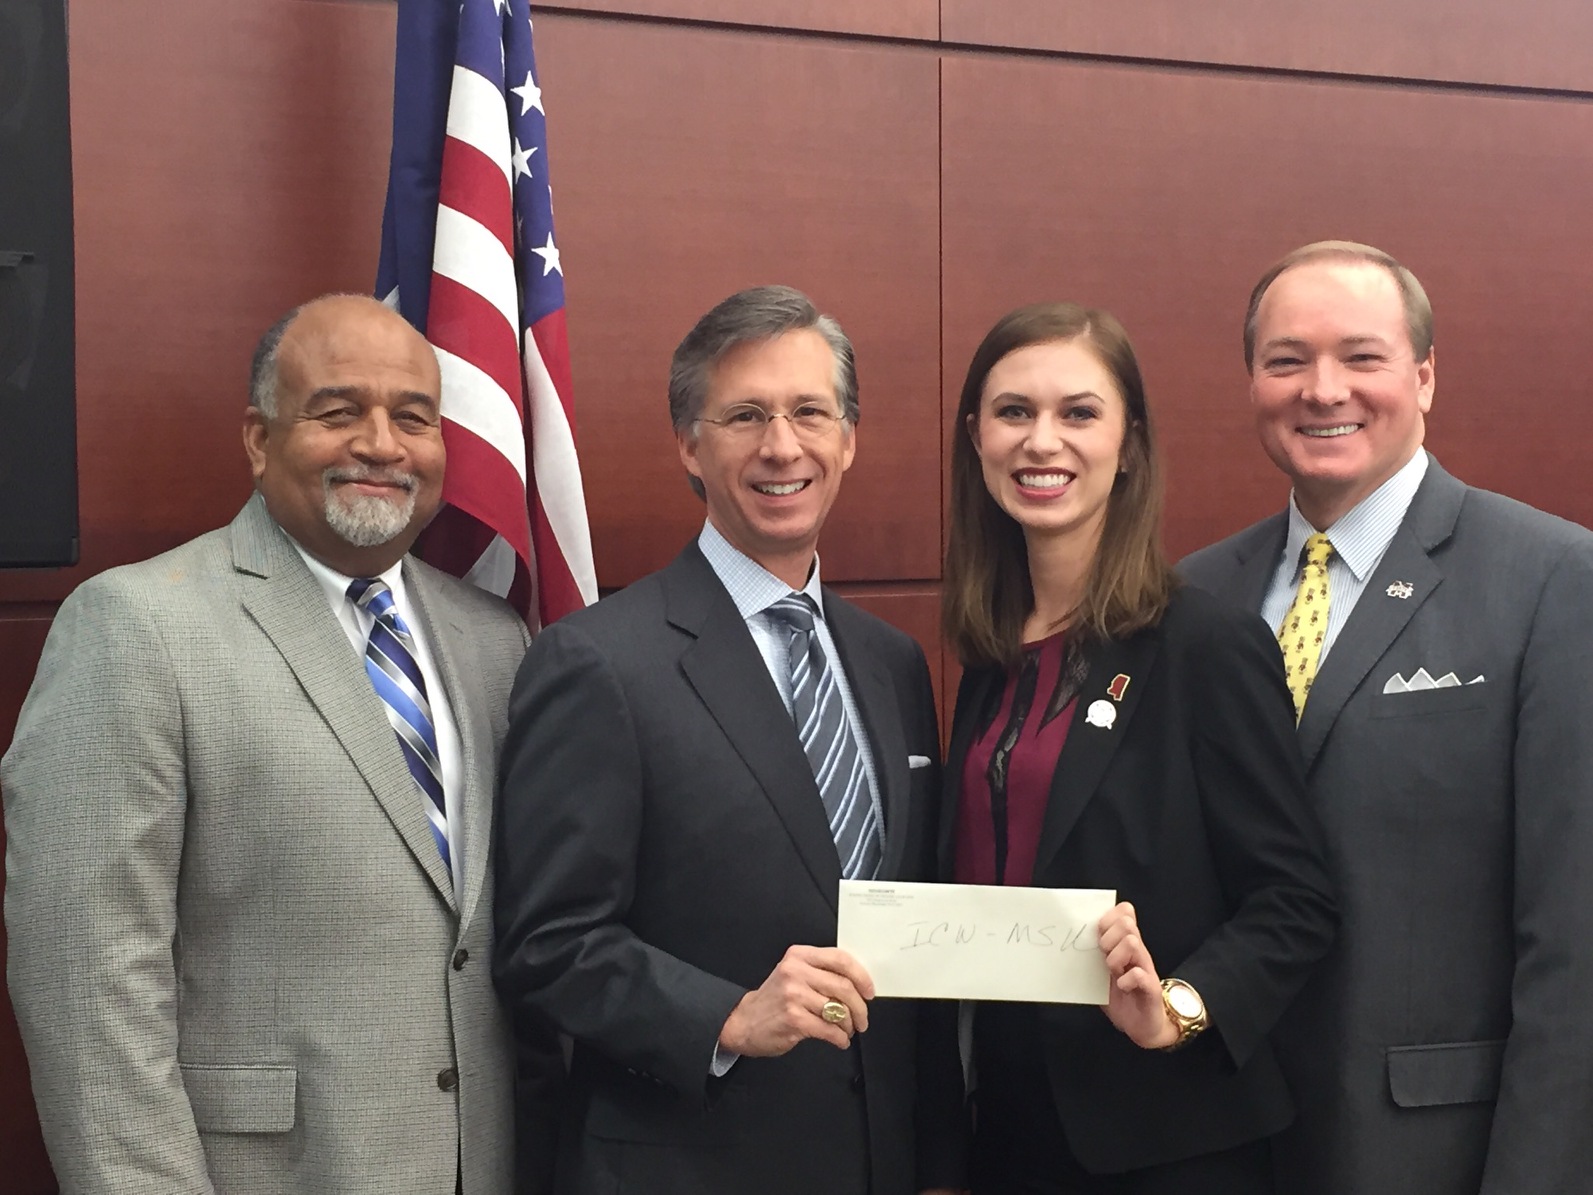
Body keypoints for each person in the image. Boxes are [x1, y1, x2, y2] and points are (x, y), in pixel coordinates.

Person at [2, 294, 558, 1194]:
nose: (381, 444)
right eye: (338, 412)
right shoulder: (136, 627)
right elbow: (87, 983)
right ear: (260, 441)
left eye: (413, 418)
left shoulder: (493, 639)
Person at [492, 285, 965, 1195]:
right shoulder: (597, 662)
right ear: (689, 445)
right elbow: (546, 941)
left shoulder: (892, 663)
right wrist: (729, 1015)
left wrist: (940, 1160)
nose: (781, 445)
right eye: (744, 415)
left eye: (808, 413)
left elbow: (916, 937)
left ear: (848, 440)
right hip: (687, 1166)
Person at [1181, 241, 1593, 1195]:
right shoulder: (1196, 594)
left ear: (1424, 375)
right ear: (1252, 381)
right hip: (1221, 1142)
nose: (1322, 389)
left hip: (1431, 1153)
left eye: (1360, 357)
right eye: (1286, 360)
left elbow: (1573, 946)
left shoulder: (1551, 582)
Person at [940, 302, 1337, 1194]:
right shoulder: (987, 658)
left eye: (1078, 413)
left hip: (1171, 1140)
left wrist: (1180, 1008)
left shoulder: (1203, 643)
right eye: (1013, 413)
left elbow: (1295, 900)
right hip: (1006, 1132)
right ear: (976, 439)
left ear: (1129, 445)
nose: (1042, 441)